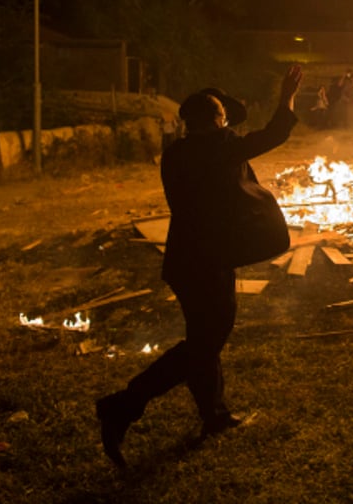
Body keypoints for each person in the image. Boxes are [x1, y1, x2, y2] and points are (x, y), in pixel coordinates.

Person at [95, 64, 302, 468]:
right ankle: (124, 404)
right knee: (205, 344)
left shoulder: (177, 153)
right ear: (217, 120)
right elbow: (274, 133)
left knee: (204, 342)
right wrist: (286, 98)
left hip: (188, 260)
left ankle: (215, 417)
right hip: (207, 261)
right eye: (223, 116)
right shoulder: (219, 148)